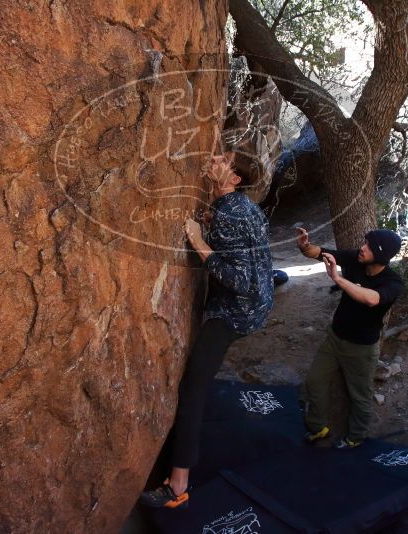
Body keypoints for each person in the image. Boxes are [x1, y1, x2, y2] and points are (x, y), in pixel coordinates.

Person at [139, 153, 273, 509]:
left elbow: (240, 281)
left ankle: (178, 484)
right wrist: (213, 225)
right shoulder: (239, 206)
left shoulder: (231, 212)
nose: (215, 158)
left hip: (235, 312)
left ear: (234, 180)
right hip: (253, 305)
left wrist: (199, 240)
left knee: (193, 388)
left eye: (224, 161)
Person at [296, 227, 403, 449]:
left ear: (381, 255)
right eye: (365, 243)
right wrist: (306, 247)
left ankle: (356, 437)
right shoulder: (356, 259)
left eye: (369, 246)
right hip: (334, 338)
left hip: (361, 349)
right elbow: (321, 253)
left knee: (360, 396)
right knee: (314, 382)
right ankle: (318, 427)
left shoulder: (393, 282)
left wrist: (337, 278)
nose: (362, 248)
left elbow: (372, 299)